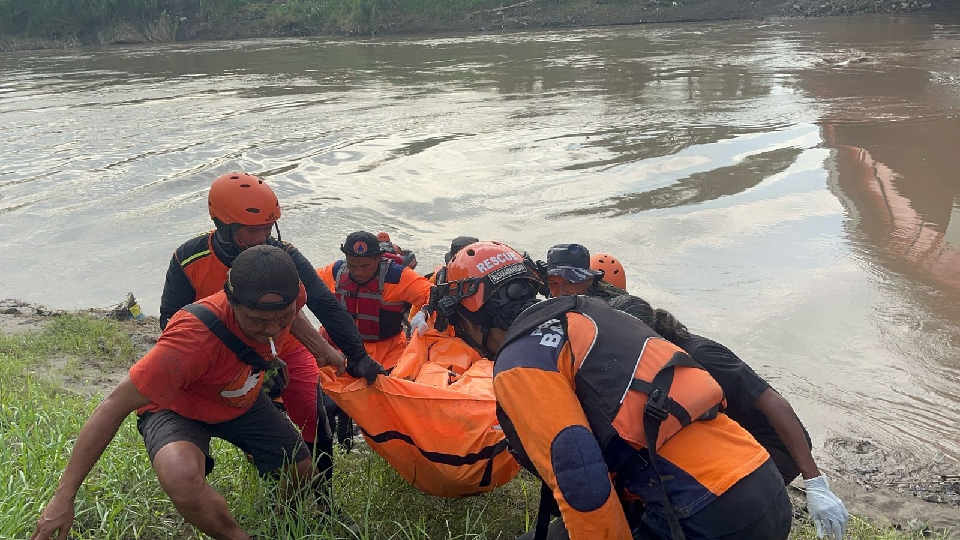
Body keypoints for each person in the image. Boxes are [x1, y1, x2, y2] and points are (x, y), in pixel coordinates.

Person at [31, 246, 321, 540]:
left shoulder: (290, 301)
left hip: (236, 395)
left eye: (282, 317)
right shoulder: (191, 339)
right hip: (176, 408)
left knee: (300, 469)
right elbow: (113, 405)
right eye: (258, 321)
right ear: (232, 302)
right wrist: (63, 497)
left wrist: (319, 353)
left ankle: (282, 521)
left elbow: (289, 319)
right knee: (180, 477)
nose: (272, 329)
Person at [494, 294, 794, 540]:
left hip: (707, 512)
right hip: (769, 487)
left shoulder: (527, 364)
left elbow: (585, 485)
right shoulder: (620, 338)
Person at [157, 172, 384, 494]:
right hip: (224, 355)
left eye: (269, 226)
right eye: (254, 230)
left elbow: (323, 302)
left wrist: (358, 355)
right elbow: (170, 321)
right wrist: (244, 365)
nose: (264, 236)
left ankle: (322, 501)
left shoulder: (281, 254)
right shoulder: (189, 258)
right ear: (223, 225)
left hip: (285, 342)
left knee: (312, 411)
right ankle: (276, 484)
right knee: (258, 427)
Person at [607, 294, 849, 540]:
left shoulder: (701, 355)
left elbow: (777, 404)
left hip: (775, 448)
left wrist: (815, 482)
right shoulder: (662, 357)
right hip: (733, 438)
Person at [318, 231, 433, 372]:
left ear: (378, 258)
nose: (358, 272)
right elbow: (304, 285)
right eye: (352, 266)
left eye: (365, 266)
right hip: (341, 348)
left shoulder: (398, 277)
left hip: (388, 351)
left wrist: (424, 312)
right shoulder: (334, 272)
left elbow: (434, 294)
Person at [544, 243, 626, 299]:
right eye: (553, 283)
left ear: (589, 279)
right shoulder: (555, 292)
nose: (562, 293)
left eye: (570, 282)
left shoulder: (611, 300)